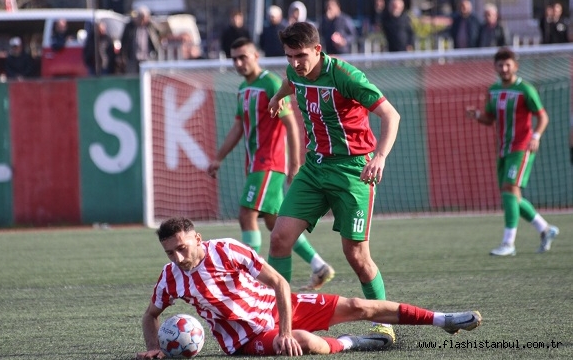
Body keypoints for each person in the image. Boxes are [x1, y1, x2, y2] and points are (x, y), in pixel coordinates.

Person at [135, 217, 482, 358]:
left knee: (359, 306)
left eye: (182, 247)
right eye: (170, 252)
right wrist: (153, 347)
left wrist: (283, 326)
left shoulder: (227, 249)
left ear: (197, 238)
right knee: (300, 341)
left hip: (273, 307)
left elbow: (279, 283)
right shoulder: (170, 278)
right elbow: (150, 315)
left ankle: (444, 319)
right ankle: (353, 343)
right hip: (244, 338)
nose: (178, 257)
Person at [266, 22, 401, 347]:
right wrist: (277, 96)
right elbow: (291, 80)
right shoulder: (295, 70)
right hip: (315, 168)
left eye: (301, 55)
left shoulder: (345, 76)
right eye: (289, 56)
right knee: (279, 239)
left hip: (353, 170)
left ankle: (383, 322)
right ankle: (273, 317)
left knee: (355, 254)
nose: (295, 62)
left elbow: (390, 115)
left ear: (317, 50)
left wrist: (379, 156)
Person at [207, 37, 335, 291]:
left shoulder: (271, 83)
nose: (239, 62)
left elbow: (290, 124)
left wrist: (295, 163)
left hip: (269, 162)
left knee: (246, 214)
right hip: (255, 162)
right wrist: (219, 157)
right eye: (234, 58)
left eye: (243, 56)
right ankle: (319, 265)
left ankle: (247, 277)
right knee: (274, 223)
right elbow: (237, 127)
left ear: (256, 55)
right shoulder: (244, 88)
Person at [465, 47, 560, 256]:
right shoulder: (493, 90)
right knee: (512, 195)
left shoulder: (526, 90)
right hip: (503, 148)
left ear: (515, 66)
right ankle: (545, 229)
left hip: (522, 146)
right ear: (496, 67)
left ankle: (509, 244)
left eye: (508, 64)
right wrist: (478, 114)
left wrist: (536, 137)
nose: (504, 68)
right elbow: (490, 118)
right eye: (500, 65)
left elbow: (542, 116)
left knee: (509, 189)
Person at [120, 5, 163, 73]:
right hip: (133, 58)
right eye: (140, 17)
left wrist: (150, 22)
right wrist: (123, 55)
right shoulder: (130, 26)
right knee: (133, 77)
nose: (142, 20)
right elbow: (124, 41)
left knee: (147, 77)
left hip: (147, 58)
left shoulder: (150, 27)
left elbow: (161, 31)